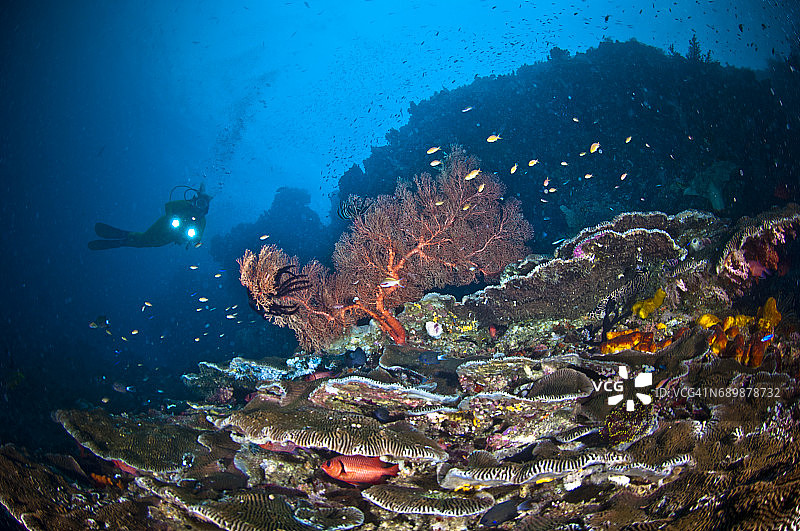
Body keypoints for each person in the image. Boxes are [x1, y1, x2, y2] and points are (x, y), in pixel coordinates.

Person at [89, 184, 211, 250]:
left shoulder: (202, 221)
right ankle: (125, 238)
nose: (198, 206)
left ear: (205, 207)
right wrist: (171, 218)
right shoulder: (185, 205)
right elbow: (169, 205)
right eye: (199, 202)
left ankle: (124, 241)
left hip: (173, 236)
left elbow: (198, 236)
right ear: (195, 200)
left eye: (202, 204)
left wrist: (189, 238)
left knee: (145, 244)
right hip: (164, 225)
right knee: (145, 238)